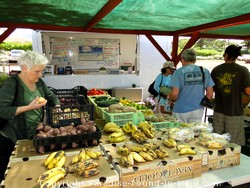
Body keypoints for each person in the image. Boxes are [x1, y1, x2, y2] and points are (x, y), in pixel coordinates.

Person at [0, 50, 60, 181]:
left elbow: (51, 96)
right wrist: (29, 107)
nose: (40, 75)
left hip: (33, 134)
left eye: (41, 71)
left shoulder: (39, 83)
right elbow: (2, 110)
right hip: (12, 138)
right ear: (24, 68)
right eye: (37, 71)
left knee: (28, 173)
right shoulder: (11, 84)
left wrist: (57, 107)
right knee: (10, 176)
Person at [211, 45, 250, 146]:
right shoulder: (243, 70)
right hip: (235, 112)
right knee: (233, 144)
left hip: (219, 110)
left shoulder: (216, 70)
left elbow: (211, 90)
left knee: (217, 142)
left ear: (226, 55)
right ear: (237, 56)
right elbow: (248, 92)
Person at [168, 48, 214, 123]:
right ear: (195, 60)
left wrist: (170, 99)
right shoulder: (204, 71)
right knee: (194, 133)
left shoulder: (178, 72)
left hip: (181, 110)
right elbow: (210, 94)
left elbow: (174, 94)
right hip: (197, 110)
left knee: (178, 133)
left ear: (182, 59)